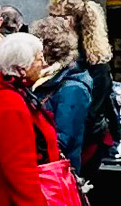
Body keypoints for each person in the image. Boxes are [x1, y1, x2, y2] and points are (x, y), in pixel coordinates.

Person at [0, 33, 74, 206]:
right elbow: (17, 161)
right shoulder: (11, 103)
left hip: (23, 197)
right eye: (38, 58)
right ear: (20, 67)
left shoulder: (16, 96)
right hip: (17, 205)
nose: (42, 63)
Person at [47, 0, 118, 171]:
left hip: (86, 139)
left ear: (71, 21)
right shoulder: (55, 55)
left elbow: (92, 113)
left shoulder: (95, 66)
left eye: (58, 18)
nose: (52, 23)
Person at [29, 17, 92, 177]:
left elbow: (62, 141)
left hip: (56, 175)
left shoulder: (72, 88)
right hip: (44, 170)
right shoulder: (41, 82)